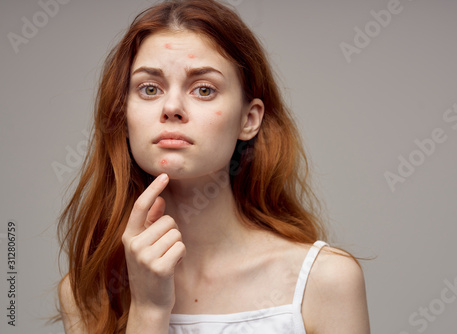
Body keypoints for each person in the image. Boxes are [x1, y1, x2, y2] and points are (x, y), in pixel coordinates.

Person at [56, 0, 370, 333]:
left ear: (249, 120)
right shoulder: (87, 293)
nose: (172, 107)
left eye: (203, 89)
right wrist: (148, 310)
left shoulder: (325, 281)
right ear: (124, 115)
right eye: (150, 89)